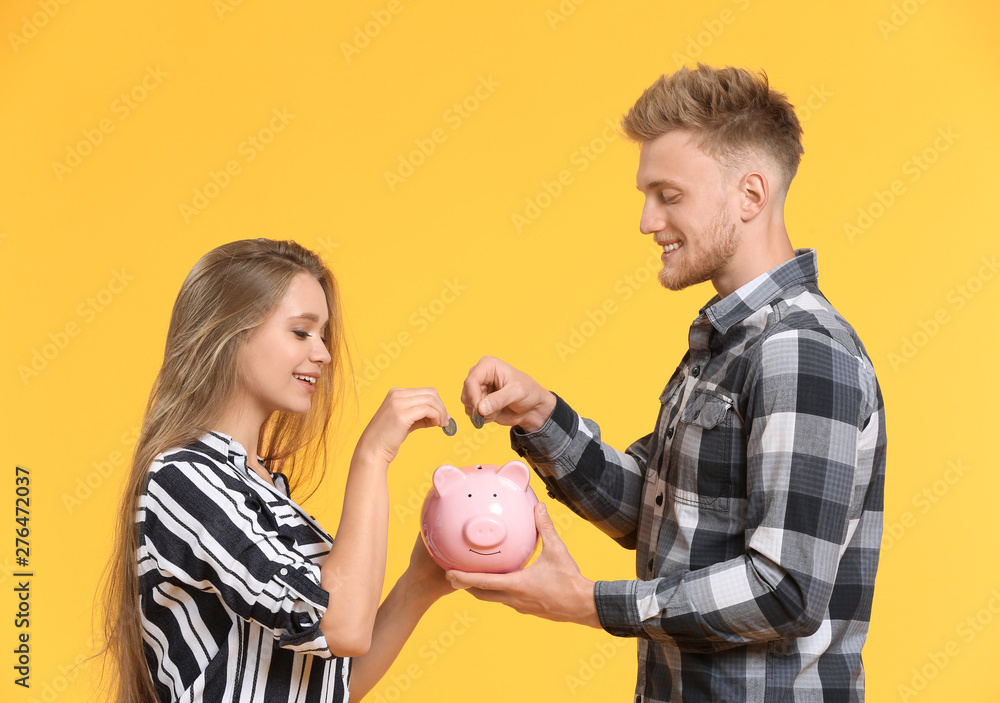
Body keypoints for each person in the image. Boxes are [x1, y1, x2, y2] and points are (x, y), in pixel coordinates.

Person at [452, 65, 887, 702]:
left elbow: (785, 592)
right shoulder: (725, 344)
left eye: (669, 195)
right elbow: (662, 518)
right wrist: (542, 418)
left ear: (750, 195)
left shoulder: (798, 350)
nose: (646, 221)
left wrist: (590, 604)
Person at [100, 239, 453, 702]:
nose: (324, 354)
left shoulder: (261, 490)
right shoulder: (183, 479)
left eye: (323, 335)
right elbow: (341, 626)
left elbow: (327, 686)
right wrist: (372, 455)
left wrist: (420, 583)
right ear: (228, 333)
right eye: (302, 332)